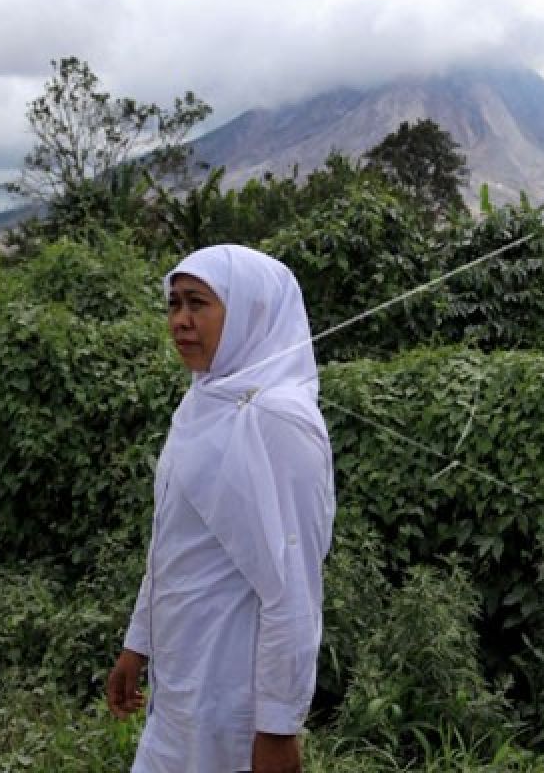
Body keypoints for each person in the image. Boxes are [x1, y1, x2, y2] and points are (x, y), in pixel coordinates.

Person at [106, 244, 336, 773]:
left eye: (198, 304)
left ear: (251, 311)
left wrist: (278, 727)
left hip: (233, 697)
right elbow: (172, 541)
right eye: (174, 304)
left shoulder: (277, 419)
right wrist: (136, 645)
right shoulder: (203, 400)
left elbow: (293, 586)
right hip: (182, 685)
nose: (181, 322)